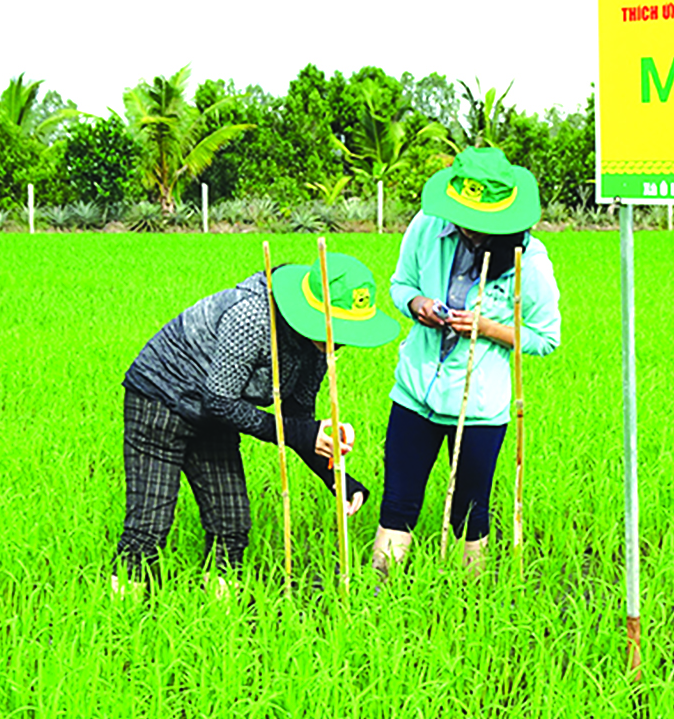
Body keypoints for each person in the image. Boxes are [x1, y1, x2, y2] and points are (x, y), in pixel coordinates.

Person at [114, 252, 400, 587]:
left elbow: (297, 420)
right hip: (160, 401)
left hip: (214, 414)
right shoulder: (252, 317)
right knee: (149, 524)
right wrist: (301, 433)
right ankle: (123, 611)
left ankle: (220, 608)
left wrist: (336, 477)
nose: (340, 342)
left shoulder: (318, 348)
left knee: (231, 522)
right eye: (336, 329)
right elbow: (221, 400)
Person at [373, 147, 561, 576]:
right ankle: (378, 596)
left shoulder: (528, 263)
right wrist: (417, 303)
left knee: (469, 513)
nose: (468, 230)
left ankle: (469, 605)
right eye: (462, 218)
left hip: (477, 407)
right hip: (415, 391)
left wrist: (487, 327)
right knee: (397, 503)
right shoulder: (427, 227)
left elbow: (546, 337)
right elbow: (400, 284)